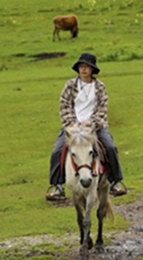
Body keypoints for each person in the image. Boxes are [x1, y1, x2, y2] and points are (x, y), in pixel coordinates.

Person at [45, 51, 127, 200]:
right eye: (81, 66)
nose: (83, 69)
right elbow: (64, 106)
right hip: (73, 127)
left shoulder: (100, 87)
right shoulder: (70, 85)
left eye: (86, 67)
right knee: (57, 151)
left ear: (92, 69)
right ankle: (57, 186)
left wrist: (91, 122)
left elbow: (102, 108)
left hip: (95, 127)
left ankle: (115, 182)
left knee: (109, 147)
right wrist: (72, 124)